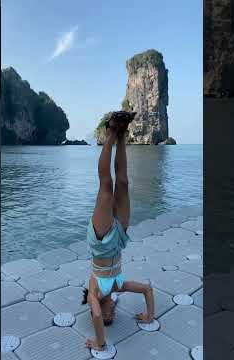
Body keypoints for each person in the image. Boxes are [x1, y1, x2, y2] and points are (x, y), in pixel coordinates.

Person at [82, 111, 155, 351]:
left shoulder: (95, 292)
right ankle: (122, 134)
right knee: (123, 182)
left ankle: (110, 133)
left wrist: (100, 342)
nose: (112, 312)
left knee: (106, 186)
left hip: (102, 241)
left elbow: (94, 314)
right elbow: (147, 289)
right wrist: (149, 316)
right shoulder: (117, 287)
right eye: (113, 317)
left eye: (108, 317)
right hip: (120, 238)